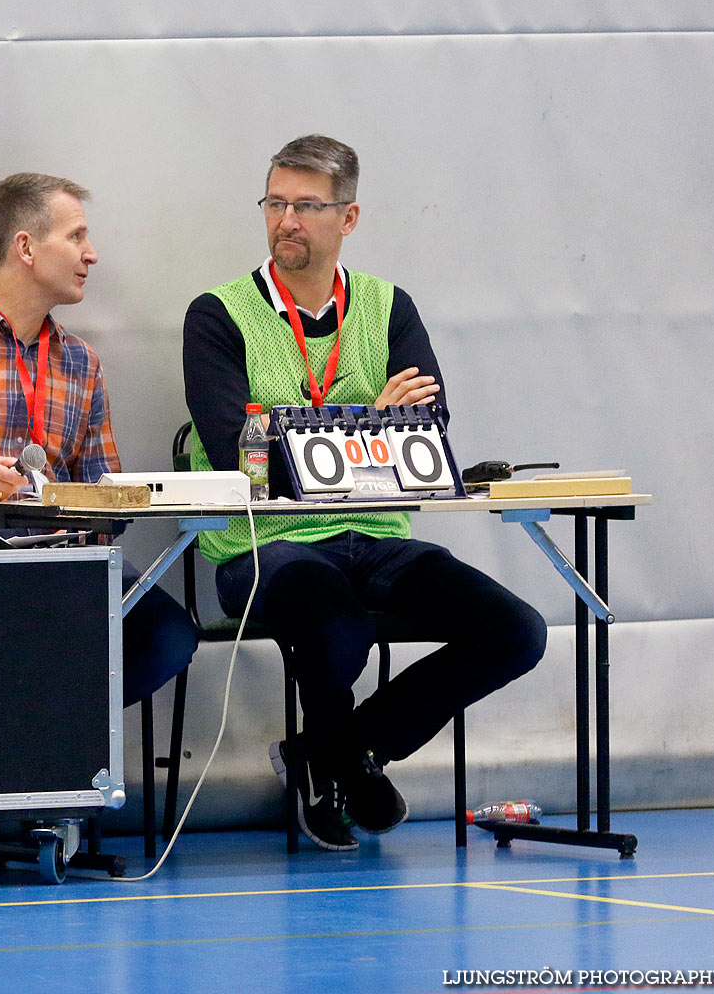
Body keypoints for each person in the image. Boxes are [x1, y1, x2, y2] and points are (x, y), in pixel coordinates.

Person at [182, 136, 546, 851]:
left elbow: (426, 436)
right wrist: (372, 423)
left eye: (307, 206)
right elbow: (242, 454)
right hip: (264, 543)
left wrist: (306, 434)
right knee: (335, 621)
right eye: (275, 202)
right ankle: (343, 763)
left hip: (376, 537)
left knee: (517, 631)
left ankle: (337, 753)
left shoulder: (387, 306)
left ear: (347, 218)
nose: (286, 220)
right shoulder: (217, 315)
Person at [0, 172, 198, 707]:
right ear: (25, 247)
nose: (91, 254)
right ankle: (31, 746)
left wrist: (116, 505)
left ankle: (53, 741)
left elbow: (104, 490)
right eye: (76, 236)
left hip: (59, 568)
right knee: (17, 637)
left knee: (167, 635)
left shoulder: (81, 363)